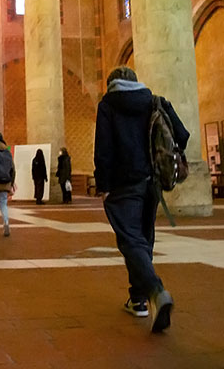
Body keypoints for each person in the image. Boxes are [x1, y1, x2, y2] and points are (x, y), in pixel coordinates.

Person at [94, 66, 189, 333]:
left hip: (124, 184)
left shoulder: (108, 105)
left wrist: (104, 185)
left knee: (131, 239)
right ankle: (138, 300)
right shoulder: (154, 100)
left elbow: (103, 147)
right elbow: (182, 134)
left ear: (111, 83)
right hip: (152, 183)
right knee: (143, 238)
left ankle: (156, 292)